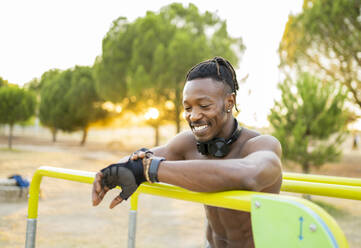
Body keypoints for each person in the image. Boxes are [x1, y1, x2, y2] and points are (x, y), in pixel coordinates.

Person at [92, 56, 282, 248]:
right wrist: (121, 170)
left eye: (204, 106)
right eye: (188, 108)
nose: (194, 116)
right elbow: (133, 161)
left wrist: (149, 169)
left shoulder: (262, 144)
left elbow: (248, 175)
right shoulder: (189, 143)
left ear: (229, 102)